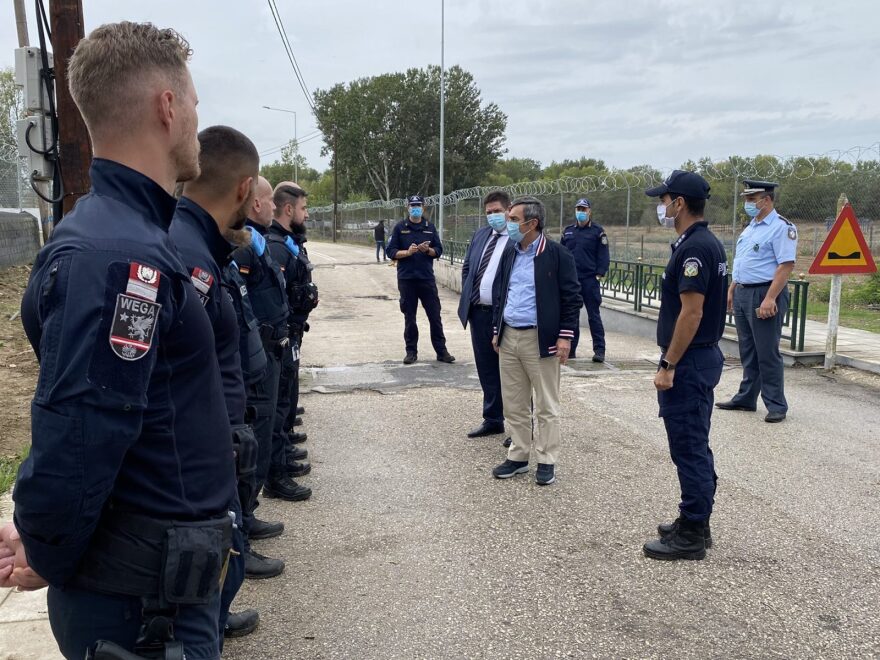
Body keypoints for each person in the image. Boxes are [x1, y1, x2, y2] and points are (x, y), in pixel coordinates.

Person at [3, 22, 237, 659]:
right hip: (141, 611)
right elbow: (79, 427)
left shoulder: (131, 235)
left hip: (158, 592)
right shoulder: (116, 257)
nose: (195, 117)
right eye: (192, 102)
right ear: (167, 106)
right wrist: (45, 545)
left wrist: (39, 532)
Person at [170, 126, 280, 641]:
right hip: (201, 453)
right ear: (244, 190)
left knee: (222, 564)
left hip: (217, 442)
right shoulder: (191, 256)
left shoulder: (197, 243)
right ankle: (208, 624)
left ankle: (213, 619)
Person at [642, 170, 727, 561]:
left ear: (679, 203)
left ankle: (692, 533)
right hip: (701, 357)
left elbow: (691, 313)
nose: (661, 206)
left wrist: (668, 363)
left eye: (664, 200)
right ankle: (697, 518)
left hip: (690, 360)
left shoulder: (694, 248)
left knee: (688, 446)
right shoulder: (703, 242)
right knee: (695, 442)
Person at [490, 196, 582, 486]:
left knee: (545, 404)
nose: (509, 224)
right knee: (514, 403)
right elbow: (500, 292)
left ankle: (546, 459)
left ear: (533, 223)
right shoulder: (510, 252)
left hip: (539, 339)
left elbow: (572, 298)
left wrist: (565, 337)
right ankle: (518, 456)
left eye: (514, 219)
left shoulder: (556, 254)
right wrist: (497, 329)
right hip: (509, 336)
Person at [232, 175, 295, 540]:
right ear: (256, 203)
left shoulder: (255, 242)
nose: (274, 205)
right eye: (270, 200)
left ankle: (248, 516)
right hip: (257, 355)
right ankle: (243, 523)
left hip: (268, 350)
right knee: (254, 438)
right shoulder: (243, 247)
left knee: (265, 430)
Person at [716, 180, 797, 423]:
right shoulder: (751, 227)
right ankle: (746, 397)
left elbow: (786, 265)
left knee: (766, 352)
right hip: (743, 292)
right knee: (748, 350)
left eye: (753, 199)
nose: (748, 204)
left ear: (767, 200)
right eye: (747, 199)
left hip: (764, 294)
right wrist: (732, 287)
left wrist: (770, 298)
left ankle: (776, 404)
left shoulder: (781, 227)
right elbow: (744, 261)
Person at [264, 183, 318, 501]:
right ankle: (277, 472)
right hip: (281, 335)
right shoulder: (276, 246)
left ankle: (282, 458)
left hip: (292, 331)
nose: (306, 213)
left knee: (286, 398)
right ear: (288, 209)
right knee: (280, 402)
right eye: (303, 208)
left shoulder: (287, 242)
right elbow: (277, 295)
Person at [458, 190, 512, 441]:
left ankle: (521, 426)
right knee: (486, 370)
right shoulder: (480, 234)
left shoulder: (516, 238)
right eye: (489, 213)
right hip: (479, 313)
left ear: (509, 210)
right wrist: (469, 294)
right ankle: (493, 419)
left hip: (506, 317)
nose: (493, 217)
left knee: (514, 372)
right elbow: (468, 267)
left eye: (497, 212)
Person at [386, 195, 455, 365]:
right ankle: (411, 352)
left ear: (423, 208)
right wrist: (407, 253)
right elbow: (391, 251)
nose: (415, 208)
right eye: (412, 205)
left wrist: (428, 250)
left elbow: (438, 250)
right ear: (408, 208)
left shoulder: (429, 227)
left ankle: (441, 351)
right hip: (407, 279)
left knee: (435, 316)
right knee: (410, 317)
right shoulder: (400, 228)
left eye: (418, 205)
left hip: (426, 279)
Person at [560, 198, 610, 362]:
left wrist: (599, 274)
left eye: (584, 209)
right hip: (572, 281)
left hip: (589, 280)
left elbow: (603, 255)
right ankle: (572, 350)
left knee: (593, 316)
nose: (580, 212)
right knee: (572, 316)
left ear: (589, 211)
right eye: (578, 209)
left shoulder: (597, 232)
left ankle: (599, 351)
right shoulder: (568, 231)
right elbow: (561, 254)